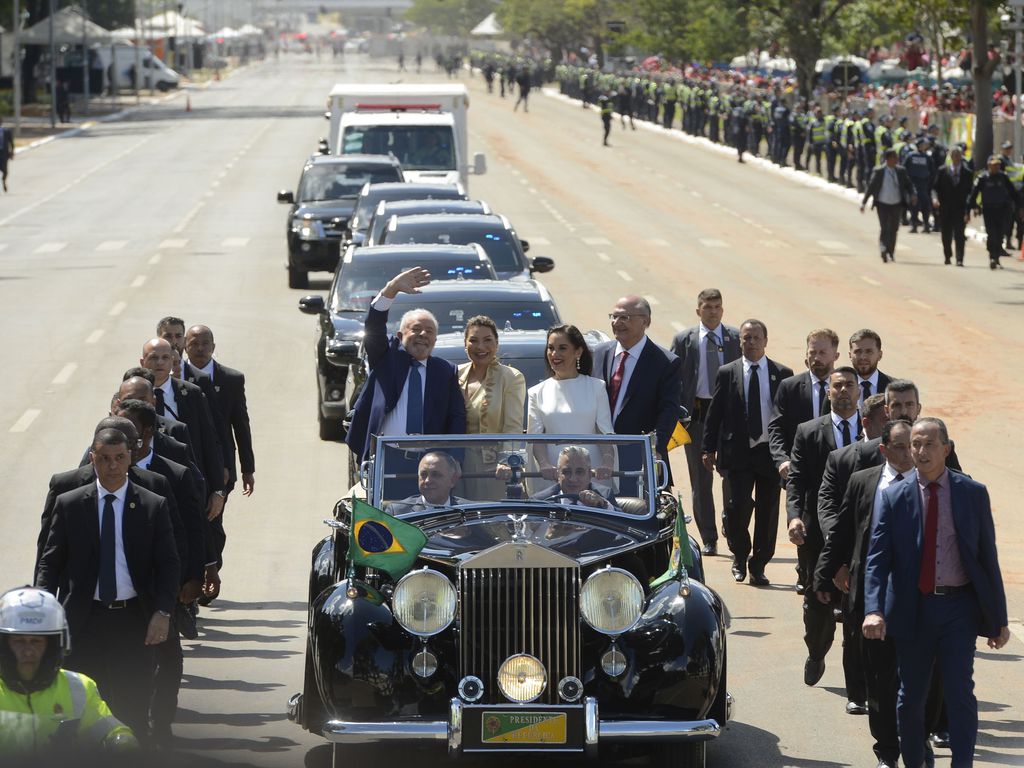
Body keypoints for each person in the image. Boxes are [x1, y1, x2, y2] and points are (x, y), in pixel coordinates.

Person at [863, 418, 1010, 768]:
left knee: (960, 694)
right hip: (914, 610)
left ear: (946, 448)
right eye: (915, 444)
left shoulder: (971, 493)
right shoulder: (893, 496)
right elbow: (877, 560)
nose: (921, 451)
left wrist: (998, 620)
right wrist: (874, 609)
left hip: (959, 607)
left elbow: (987, 559)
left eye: (929, 444)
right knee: (911, 698)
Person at [35, 428, 180, 740]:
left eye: (119, 458)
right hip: (83, 623)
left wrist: (163, 612)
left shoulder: (152, 505)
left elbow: (169, 564)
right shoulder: (70, 504)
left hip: (133, 623)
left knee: (133, 710)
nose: (112, 466)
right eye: (104, 459)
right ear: (92, 459)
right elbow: (50, 562)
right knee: (78, 713)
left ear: (131, 458)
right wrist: (44, 611)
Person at [817, 419, 915, 768]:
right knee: (881, 679)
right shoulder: (863, 482)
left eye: (914, 446)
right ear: (884, 450)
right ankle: (887, 750)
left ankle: (919, 742)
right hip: (872, 597)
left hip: (921, 600)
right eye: (901, 447)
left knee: (923, 680)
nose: (910, 454)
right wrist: (824, 576)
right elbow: (843, 532)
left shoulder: (933, 483)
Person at [786, 367, 863, 694]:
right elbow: (798, 480)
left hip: (862, 532)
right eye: (837, 386)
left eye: (849, 385)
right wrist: (794, 517)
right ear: (827, 392)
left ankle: (859, 681)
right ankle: (816, 651)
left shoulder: (872, 429)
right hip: (818, 533)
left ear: (859, 391)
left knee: (856, 604)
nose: (843, 390)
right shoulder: (808, 431)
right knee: (818, 605)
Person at [702, 320, 793, 586]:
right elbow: (714, 413)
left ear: (765, 340)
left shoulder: (782, 373)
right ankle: (739, 555)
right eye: (746, 337)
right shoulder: (727, 372)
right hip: (737, 452)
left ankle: (759, 563)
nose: (751, 342)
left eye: (756, 337)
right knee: (737, 507)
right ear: (739, 341)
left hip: (770, 453)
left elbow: (788, 417)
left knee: (768, 511)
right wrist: (708, 448)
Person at [345, 266, 466, 464]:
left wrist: (455, 461)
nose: (423, 335)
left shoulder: (445, 371)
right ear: (400, 336)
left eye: (429, 331)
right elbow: (374, 327)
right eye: (416, 329)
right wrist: (391, 289)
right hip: (386, 458)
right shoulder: (387, 358)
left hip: (431, 466)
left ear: (435, 341)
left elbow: (456, 419)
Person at [0, 586, 137, 755]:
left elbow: (111, 730)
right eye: (19, 641)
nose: (28, 651)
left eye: (36, 641)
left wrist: (124, 743)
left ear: (54, 646)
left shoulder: (79, 687)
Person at [183, 324, 255, 595]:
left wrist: (247, 468)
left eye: (205, 343)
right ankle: (197, 576)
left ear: (213, 346)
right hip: (189, 463)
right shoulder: (177, 378)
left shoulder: (231, 379)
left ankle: (210, 568)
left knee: (214, 522)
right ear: (185, 348)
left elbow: (241, 424)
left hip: (221, 466)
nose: (199, 349)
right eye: (194, 343)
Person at [671, 289, 741, 555]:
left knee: (732, 476)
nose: (713, 311)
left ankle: (730, 523)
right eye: (707, 307)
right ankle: (708, 536)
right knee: (701, 479)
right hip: (698, 414)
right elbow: (672, 375)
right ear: (698, 310)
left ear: (722, 310)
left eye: (717, 306)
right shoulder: (684, 339)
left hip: (729, 416)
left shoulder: (734, 338)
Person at [593, 296, 682, 494]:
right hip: (598, 459)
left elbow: (669, 410)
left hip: (639, 461)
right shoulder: (598, 354)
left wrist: (653, 451)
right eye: (614, 316)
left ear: (646, 322)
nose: (617, 323)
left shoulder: (665, 362)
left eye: (624, 317)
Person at [141, 337, 226, 521]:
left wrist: (218, 490)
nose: (160, 363)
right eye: (154, 358)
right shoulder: (133, 393)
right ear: (142, 362)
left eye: (165, 357)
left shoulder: (192, 393)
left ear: (173, 361)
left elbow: (209, 442)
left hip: (187, 484)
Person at [527, 324, 615, 480]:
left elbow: (604, 432)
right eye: (551, 348)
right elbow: (535, 438)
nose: (554, 354)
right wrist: (544, 464)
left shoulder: (597, 387)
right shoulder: (536, 392)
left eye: (562, 348)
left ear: (578, 352)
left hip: (592, 473)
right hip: (553, 475)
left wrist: (608, 463)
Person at [457, 316, 526, 499]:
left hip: (491, 468)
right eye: (473, 340)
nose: (480, 347)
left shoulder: (511, 377)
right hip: (454, 466)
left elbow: (513, 426)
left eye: (487, 340)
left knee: (487, 524)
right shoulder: (455, 373)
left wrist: (507, 462)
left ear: (497, 343)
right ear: (465, 344)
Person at [769, 328, 840, 484]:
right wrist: (782, 460)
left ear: (836, 356)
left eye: (822, 353)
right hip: (800, 472)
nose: (816, 357)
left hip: (837, 471)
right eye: (813, 352)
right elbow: (776, 427)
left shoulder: (846, 387)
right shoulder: (789, 387)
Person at [861, 148, 916, 263]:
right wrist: (864, 202)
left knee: (894, 228)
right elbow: (871, 186)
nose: (896, 159)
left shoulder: (901, 171)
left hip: (896, 204)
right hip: (882, 204)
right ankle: (883, 248)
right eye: (894, 157)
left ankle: (890, 251)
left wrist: (913, 194)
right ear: (889, 158)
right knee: (884, 227)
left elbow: (909, 184)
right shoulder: (879, 171)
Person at [966, 155, 1021, 269]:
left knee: (1000, 233)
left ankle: (996, 257)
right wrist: (971, 208)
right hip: (988, 210)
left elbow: (1013, 193)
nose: (996, 167)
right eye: (994, 165)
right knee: (992, 234)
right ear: (989, 166)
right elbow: (973, 194)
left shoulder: (1003, 177)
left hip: (1002, 210)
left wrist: (1020, 207)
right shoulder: (983, 178)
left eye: (998, 165)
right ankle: (992, 256)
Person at [532, 445, 617, 509]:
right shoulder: (540, 501)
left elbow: (622, 525)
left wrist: (603, 505)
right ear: (558, 475)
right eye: (566, 472)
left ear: (590, 475)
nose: (573, 479)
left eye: (579, 472)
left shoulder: (604, 495)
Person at [386, 452, 468, 514]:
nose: (428, 480)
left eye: (436, 475)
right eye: (423, 475)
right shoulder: (397, 513)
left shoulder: (469, 511)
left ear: (452, 480)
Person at [931, 146, 973, 266]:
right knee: (946, 234)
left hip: (960, 209)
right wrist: (935, 199)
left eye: (958, 155)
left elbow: (970, 192)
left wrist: (969, 207)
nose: (956, 157)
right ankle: (947, 255)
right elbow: (935, 188)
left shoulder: (967, 173)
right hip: (945, 208)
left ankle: (960, 258)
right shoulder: (942, 170)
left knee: (960, 235)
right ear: (950, 157)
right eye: (954, 155)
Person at [848, 329, 893, 403]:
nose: (863, 357)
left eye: (869, 351)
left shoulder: (894, 387)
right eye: (858, 352)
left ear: (880, 355)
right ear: (850, 355)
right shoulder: (838, 388)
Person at [0, 117, 14, 192]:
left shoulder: (7, 131)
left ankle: (3, 181)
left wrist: (12, 152)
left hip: (4, 154)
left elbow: (11, 142)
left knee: (5, 171)